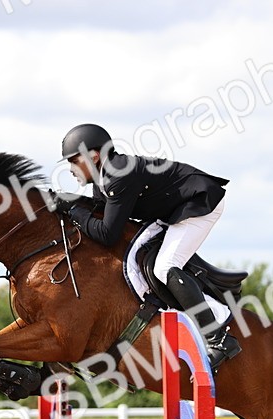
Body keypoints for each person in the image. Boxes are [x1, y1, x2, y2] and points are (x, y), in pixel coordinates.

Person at [54, 123, 241, 371]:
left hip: (198, 205)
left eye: (74, 161)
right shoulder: (103, 177)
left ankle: (218, 338)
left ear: (94, 156)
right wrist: (67, 201)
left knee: (165, 267)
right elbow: (101, 211)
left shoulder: (118, 175)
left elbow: (108, 234)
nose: (70, 169)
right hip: (171, 210)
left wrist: (73, 210)